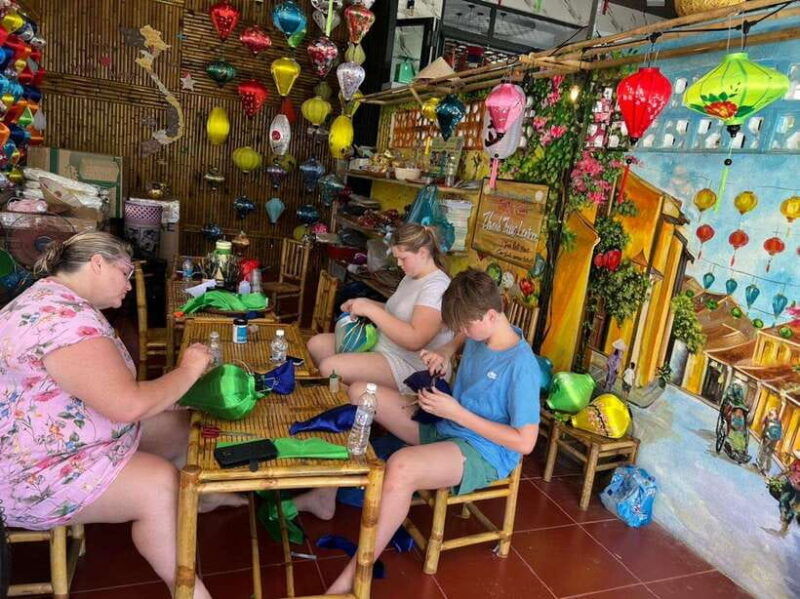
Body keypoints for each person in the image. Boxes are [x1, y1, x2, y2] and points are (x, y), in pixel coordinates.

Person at [0, 231, 239, 599]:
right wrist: (189, 369)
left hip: (61, 437)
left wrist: (173, 393)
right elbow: (128, 405)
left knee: (177, 425)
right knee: (159, 484)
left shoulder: (58, 300)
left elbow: (108, 393)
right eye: (124, 273)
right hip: (31, 470)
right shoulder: (63, 319)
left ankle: (201, 500)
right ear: (97, 263)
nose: (128, 285)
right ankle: (188, 590)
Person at [296, 269, 541, 594]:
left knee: (401, 466)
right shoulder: (483, 330)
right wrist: (446, 353)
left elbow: (525, 442)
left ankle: (352, 578)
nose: (463, 331)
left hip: (482, 450)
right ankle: (327, 494)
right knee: (360, 392)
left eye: (466, 325)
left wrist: (457, 412)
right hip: (448, 421)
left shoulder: (522, 365)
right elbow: (463, 336)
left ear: (491, 315)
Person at [307, 223, 453, 392]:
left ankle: (357, 403)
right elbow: (395, 311)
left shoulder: (437, 286)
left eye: (403, 258)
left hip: (410, 364)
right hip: (383, 345)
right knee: (316, 344)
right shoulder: (412, 276)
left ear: (423, 252)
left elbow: (415, 339)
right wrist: (363, 303)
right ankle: (354, 397)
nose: (398, 263)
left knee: (330, 368)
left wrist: (370, 309)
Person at [757, 408, 782, 476]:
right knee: (769, 454)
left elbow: (764, 427)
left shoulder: (770, 421)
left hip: (768, 439)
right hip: (773, 440)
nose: (770, 415)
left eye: (771, 414)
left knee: (764, 452)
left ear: (776, 415)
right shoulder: (779, 422)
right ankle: (766, 469)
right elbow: (779, 434)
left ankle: (761, 466)